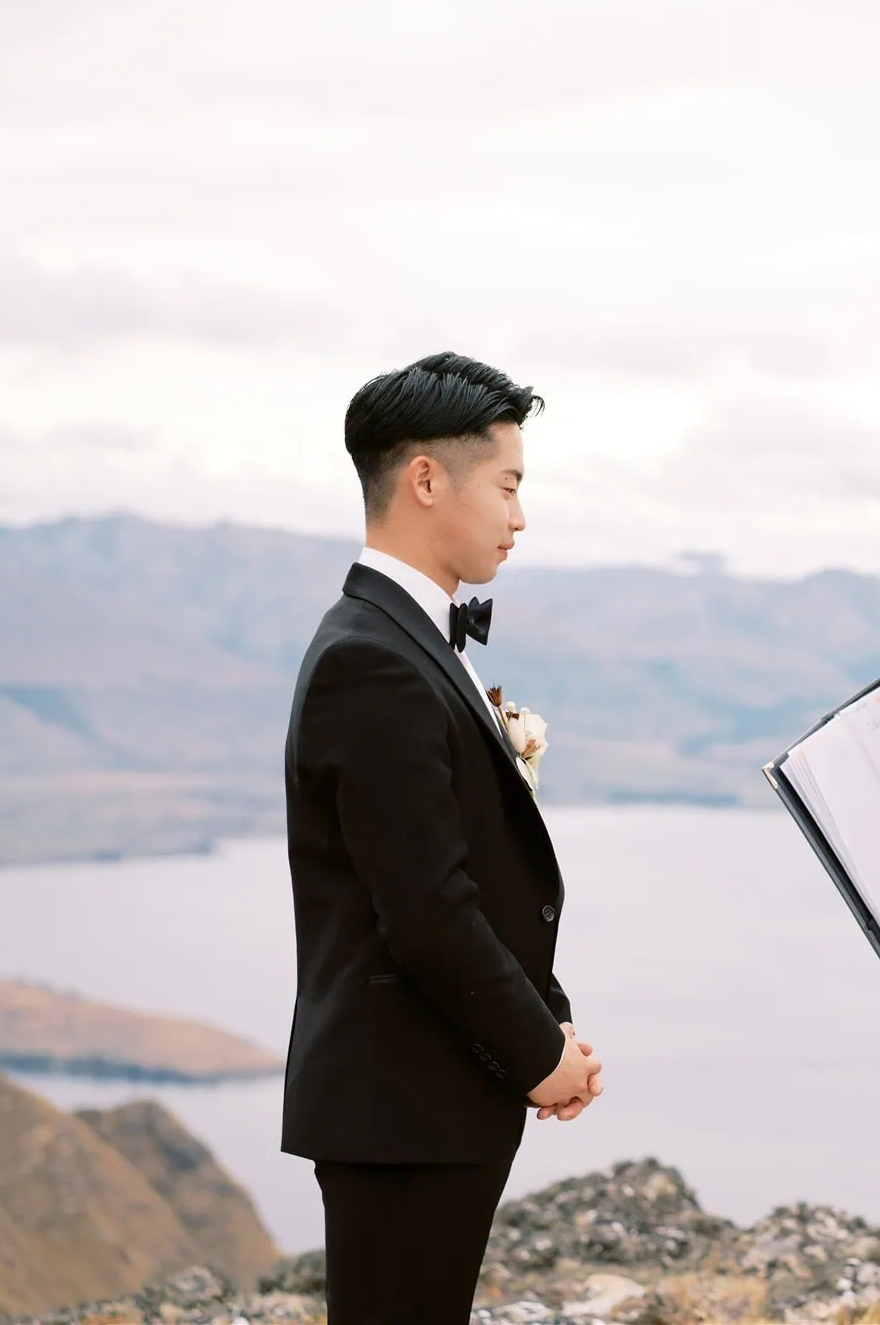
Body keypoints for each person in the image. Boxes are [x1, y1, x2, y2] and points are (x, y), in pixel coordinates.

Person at [280, 353, 604, 1323]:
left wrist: (544, 1024)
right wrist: (538, 1051)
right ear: (426, 479)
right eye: (507, 484)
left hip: (429, 1099)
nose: (518, 515)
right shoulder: (370, 660)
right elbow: (425, 907)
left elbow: (469, 879)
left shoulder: (400, 640)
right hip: (401, 1109)